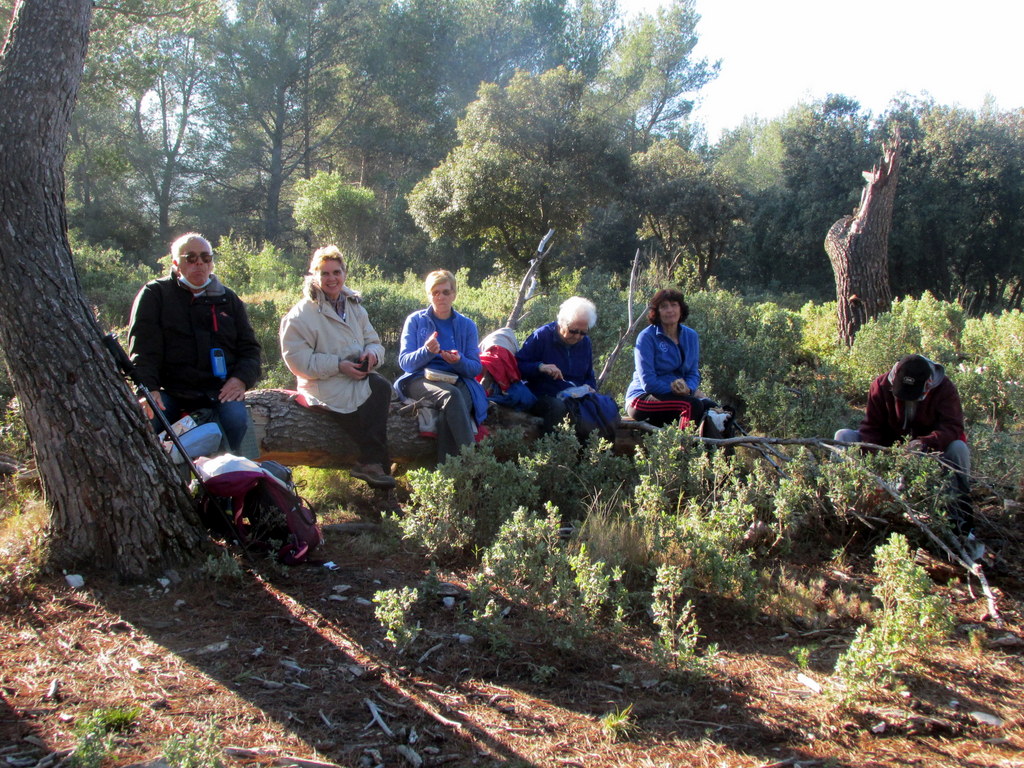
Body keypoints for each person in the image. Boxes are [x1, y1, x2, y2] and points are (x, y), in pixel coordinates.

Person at [128, 232, 261, 452]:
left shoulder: (228, 299)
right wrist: (148, 389)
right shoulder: (155, 294)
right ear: (176, 263)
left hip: (218, 392)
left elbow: (250, 350)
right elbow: (142, 350)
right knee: (146, 427)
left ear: (211, 263)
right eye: (190, 257)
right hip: (169, 391)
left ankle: (222, 479)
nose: (199, 262)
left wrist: (240, 379)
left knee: (237, 422)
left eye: (205, 257)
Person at [279, 246, 395, 489]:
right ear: (314, 276)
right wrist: (338, 366)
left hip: (355, 379)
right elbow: (297, 360)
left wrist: (371, 356)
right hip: (323, 383)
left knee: (380, 388)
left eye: (336, 272)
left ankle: (373, 472)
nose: (331, 279)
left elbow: (374, 342)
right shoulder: (302, 314)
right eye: (324, 273)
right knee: (375, 414)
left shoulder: (355, 308)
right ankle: (379, 482)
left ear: (344, 273)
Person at [834, 354, 973, 533]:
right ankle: (841, 508)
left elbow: (953, 427)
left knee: (958, 447)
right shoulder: (881, 385)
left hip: (930, 454)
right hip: (888, 451)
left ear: (928, 384)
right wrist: (882, 460)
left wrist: (924, 443)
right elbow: (871, 428)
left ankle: (959, 519)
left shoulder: (944, 388)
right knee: (843, 436)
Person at [395, 270, 488, 461]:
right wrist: (426, 351)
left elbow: (475, 368)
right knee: (452, 396)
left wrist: (458, 360)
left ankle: (446, 473)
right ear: (429, 295)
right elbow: (405, 362)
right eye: (435, 292)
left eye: (445, 292)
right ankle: (472, 463)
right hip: (420, 379)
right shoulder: (415, 321)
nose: (441, 297)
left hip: (457, 379)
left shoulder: (467, 325)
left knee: (451, 412)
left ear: (454, 294)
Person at [626, 288, 711, 428]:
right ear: (657, 312)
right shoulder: (647, 337)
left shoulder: (691, 336)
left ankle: (715, 449)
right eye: (664, 306)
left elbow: (693, 373)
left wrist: (689, 390)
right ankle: (682, 448)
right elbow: (648, 382)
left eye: (674, 305)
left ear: (681, 308)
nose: (670, 310)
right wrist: (678, 391)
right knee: (692, 405)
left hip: (679, 396)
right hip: (642, 398)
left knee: (712, 407)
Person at [516, 297, 601, 435]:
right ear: (561, 323)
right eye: (573, 331)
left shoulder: (585, 343)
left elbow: (588, 375)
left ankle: (590, 454)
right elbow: (518, 366)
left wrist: (590, 387)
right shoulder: (542, 336)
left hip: (574, 397)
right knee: (557, 407)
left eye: (583, 332)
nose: (578, 336)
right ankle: (551, 451)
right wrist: (540, 367)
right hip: (542, 395)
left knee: (601, 406)